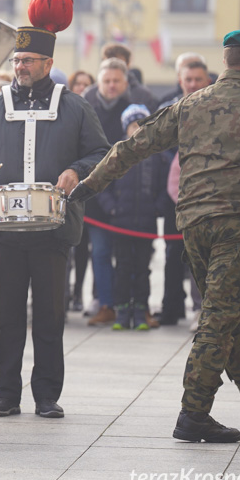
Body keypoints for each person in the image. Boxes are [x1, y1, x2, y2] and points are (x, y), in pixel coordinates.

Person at [69, 28, 240, 443]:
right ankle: (193, 414)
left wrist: (88, 187)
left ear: (225, 62)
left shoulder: (188, 104)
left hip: (194, 230)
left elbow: (133, 147)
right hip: (238, 230)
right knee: (218, 322)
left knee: (229, 319)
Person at [0, 0, 110, 420]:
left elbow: (102, 153)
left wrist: (77, 171)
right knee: (5, 317)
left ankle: (46, 395)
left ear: (48, 62)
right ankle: (6, 393)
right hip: (4, 231)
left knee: (51, 316)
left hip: (54, 229)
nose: (20, 66)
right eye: (17, 59)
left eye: (28, 59)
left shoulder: (75, 106)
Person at [96, 104, 168, 330]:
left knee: (143, 268)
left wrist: (158, 208)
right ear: (125, 128)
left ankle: (140, 310)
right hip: (121, 223)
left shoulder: (157, 156)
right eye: (132, 126)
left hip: (146, 222)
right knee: (123, 267)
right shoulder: (116, 153)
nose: (136, 130)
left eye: (141, 125)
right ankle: (122, 310)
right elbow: (103, 185)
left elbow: (166, 187)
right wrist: (112, 208)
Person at [83, 58, 139, 326]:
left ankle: (132, 306)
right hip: (96, 197)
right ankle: (106, 304)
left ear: (125, 83)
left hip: (126, 198)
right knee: (101, 253)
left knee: (129, 256)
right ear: (99, 82)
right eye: (107, 81)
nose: (112, 85)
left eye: (117, 80)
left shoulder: (134, 112)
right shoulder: (87, 109)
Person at [157, 58, 212, 327]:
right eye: (188, 80)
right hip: (173, 195)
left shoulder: (217, 110)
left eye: (197, 79)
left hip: (208, 199)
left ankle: (203, 310)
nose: (192, 84)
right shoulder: (168, 110)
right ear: (180, 81)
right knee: (173, 254)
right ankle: (172, 307)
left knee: (203, 258)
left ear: (207, 81)